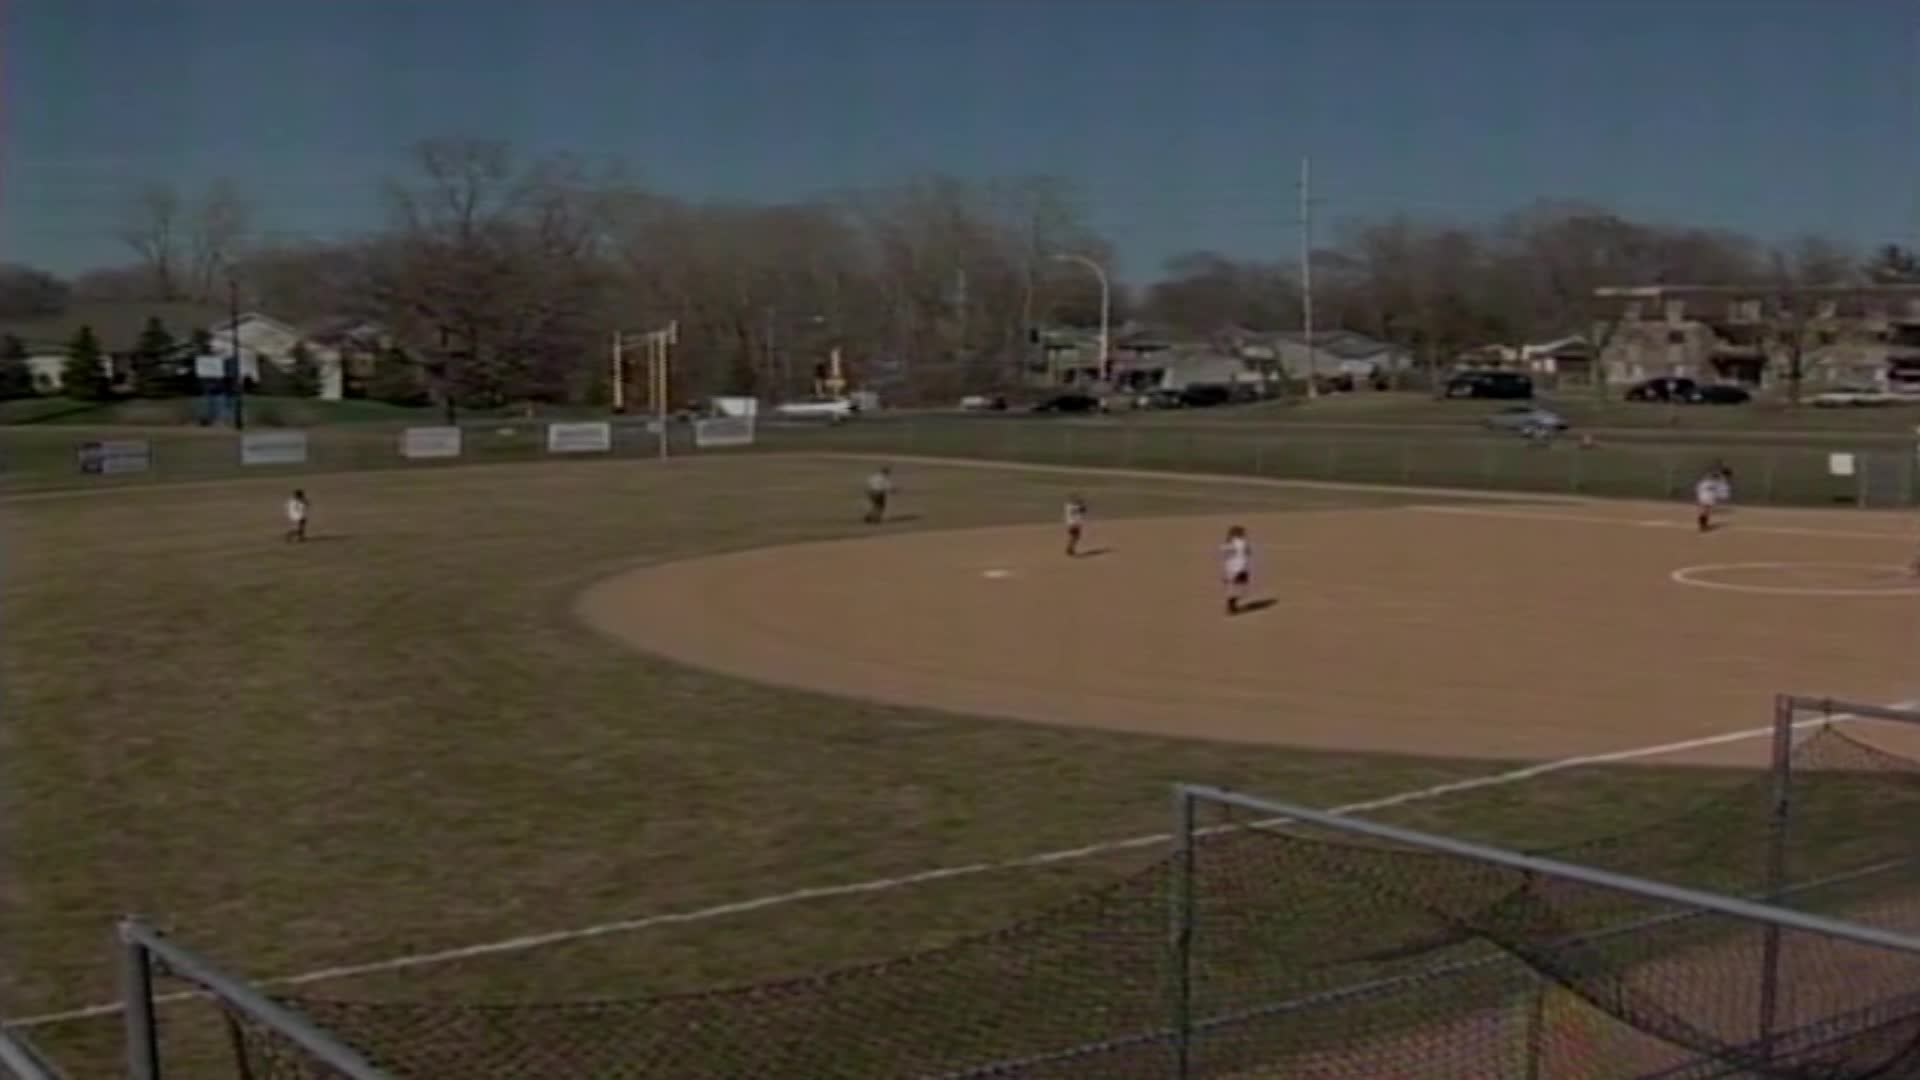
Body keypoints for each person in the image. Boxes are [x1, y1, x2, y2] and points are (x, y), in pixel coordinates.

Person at [1221, 524, 1252, 615]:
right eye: (1242, 532)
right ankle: (1231, 606)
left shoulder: (1231, 543)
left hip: (1234, 568)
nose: (1244, 533)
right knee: (1240, 588)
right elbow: (1248, 552)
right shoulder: (1239, 542)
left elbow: (1226, 553)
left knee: (1237, 587)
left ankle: (1231, 605)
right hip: (1238, 568)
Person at [1695, 463, 1732, 533]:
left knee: (1705, 509)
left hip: (1704, 490)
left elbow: (1712, 476)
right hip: (1708, 492)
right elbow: (1722, 492)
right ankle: (1703, 525)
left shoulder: (1719, 478)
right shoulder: (1721, 479)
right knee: (1706, 510)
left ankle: (1703, 525)